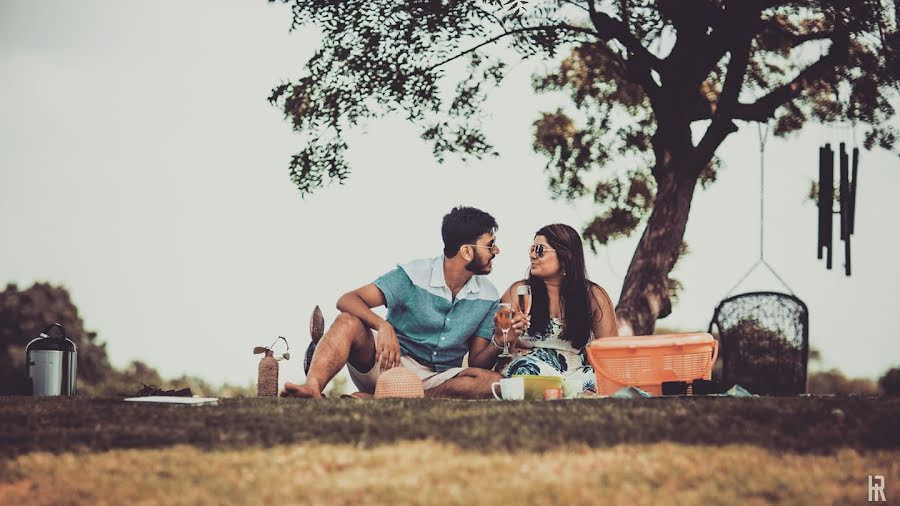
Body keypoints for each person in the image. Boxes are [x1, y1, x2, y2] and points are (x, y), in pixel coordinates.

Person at [282, 206, 528, 399]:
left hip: (439, 379)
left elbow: (477, 362)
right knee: (348, 320)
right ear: (466, 251)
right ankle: (312, 387)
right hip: (388, 366)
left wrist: (501, 340)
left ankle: (392, 399)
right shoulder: (413, 275)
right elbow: (347, 299)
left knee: (492, 382)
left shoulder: (488, 295)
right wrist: (383, 326)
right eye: (490, 245)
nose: (497, 250)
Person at [497, 223, 618, 397]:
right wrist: (510, 336)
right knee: (527, 371)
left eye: (539, 250)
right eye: (531, 249)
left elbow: (610, 352)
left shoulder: (593, 296)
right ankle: (570, 394)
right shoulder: (519, 292)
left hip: (573, 373)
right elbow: (503, 349)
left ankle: (570, 392)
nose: (532, 255)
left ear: (565, 256)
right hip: (529, 369)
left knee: (605, 381)